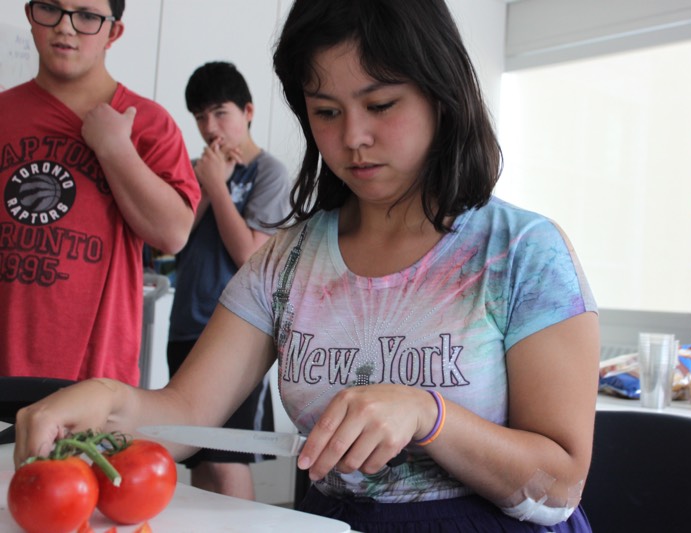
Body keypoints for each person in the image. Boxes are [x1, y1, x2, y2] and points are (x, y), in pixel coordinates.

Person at [14, 0, 600, 531]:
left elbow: (560, 484)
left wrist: (428, 413)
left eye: (381, 104)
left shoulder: (522, 252)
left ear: (441, 95)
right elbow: (184, 413)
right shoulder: (287, 261)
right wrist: (103, 400)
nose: (353, 138)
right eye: (325, 112)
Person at [0, 0, 200, 386]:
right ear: (30, 14)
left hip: (95, 382)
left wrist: (115, 150)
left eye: (87, 16)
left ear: (114, 32)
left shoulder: (148, 123)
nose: (66, 27)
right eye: (50, 9)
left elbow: (173, 233)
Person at [167, 61, 292, 499]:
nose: (209, 127)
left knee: (227, 456)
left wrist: (218, 187)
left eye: (220, 113)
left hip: (236, 336)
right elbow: (173, 242)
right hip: (185, 326)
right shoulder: (202, 169)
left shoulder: (269, 173)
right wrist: (205, 184)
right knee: (198, 457)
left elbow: (250, 255)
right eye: (200, 116)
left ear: (248, 111)